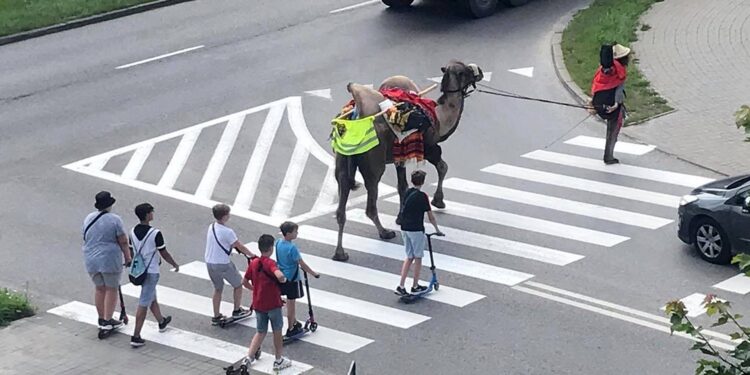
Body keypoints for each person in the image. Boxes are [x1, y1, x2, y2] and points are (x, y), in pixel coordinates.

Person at [128, 203, 180, 347]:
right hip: (151, 271)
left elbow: (131, 251)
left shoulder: (132, 231)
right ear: (147, 215)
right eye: (151, 212)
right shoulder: (155, 233)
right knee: (144, 302)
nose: (153, 214)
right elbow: (163, 252)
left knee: (151, 297)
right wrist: (174, 264)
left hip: (138, 270)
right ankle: (136, 336)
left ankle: (161, 321)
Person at [82, 191, 132, 332]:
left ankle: (101, 317)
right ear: (109, 205)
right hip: (109, 260)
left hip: (91, 259)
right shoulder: (115, 219)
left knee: (99, 288)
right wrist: (128, 257)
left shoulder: (88, 218)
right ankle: (108, 320)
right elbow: (123, 241)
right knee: (111, 288)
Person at [242, 234, 292, 371]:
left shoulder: (254, 263)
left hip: (258, 304)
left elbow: (244, 282)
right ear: (271, 249)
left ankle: (248, 358)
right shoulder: (270, 263)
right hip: (273, 304)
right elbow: (280, 276)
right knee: (277, 331)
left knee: (260, 331)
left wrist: (255, 289)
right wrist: (283, 280)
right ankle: (278, 359)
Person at [205, 203, 257, 325]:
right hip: (223, 263)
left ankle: (216, 315)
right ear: (224, 216)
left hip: (209, 263)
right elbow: (239, 246)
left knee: (218, 289)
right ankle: (237, 310)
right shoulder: (228, 232)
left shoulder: (211, 227)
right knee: (238, 285)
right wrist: (252, 255)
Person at [395, 170, 443, 296]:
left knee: (409, 256)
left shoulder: (407, 193)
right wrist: (437, 230)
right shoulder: (423, 196)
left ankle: (401, 285)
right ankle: (415, 286)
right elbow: (431, 217)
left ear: (412, 181)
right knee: (418, 257)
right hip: (416, 230)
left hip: (404, 228)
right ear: (423, 182)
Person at [275, 222, 320, 339]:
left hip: (281, 276)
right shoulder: (292, 248)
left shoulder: (278, 243)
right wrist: (313, 273)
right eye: (295, 232)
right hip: (292, 278)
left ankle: (294, 321)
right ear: (289, 233)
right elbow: (301, 263)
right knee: (291, 304)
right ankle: (291, 328)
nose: (297, 233)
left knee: (288, 302)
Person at [589, 43, 631, 165]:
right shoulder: (618, 71)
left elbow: (600, 80)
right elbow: (618, 89)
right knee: (612, 131)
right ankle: (609, 156)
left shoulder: (603, 71)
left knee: (611, 130)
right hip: (611, 104)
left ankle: (609, 155)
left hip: (599, 101)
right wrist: (617, 104)